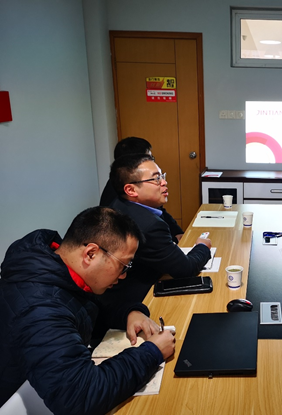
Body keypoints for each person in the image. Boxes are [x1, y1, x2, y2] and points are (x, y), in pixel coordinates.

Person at [0, 207, 176, 415]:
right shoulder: (39, 309)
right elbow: (80, 397)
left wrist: (129, 313)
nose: (123, 276)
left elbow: (87, 310)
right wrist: (152, 352)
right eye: (124, 266)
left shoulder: (57, 265)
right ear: (91, 254)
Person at [106, 153, 211, 304]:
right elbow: (186, 269)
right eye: (156, 179)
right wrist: (202, 246)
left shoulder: (121, 204)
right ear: (131, 190)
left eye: (162, 176)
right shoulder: (148, 226)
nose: (164, 182)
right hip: (138, 299)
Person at [100, 136, 184, 242]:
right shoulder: (116, 200)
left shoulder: (143, 191)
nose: (164, 182)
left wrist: (178, 233)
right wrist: (174, 240)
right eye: (148, 158)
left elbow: (161, 211)